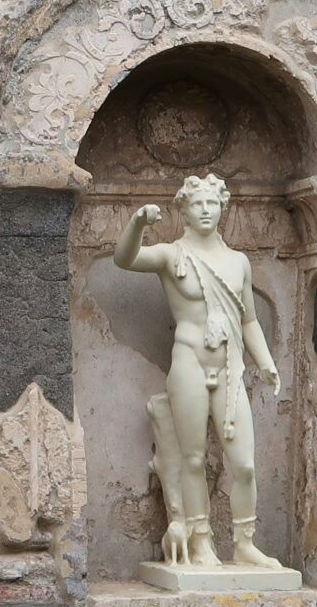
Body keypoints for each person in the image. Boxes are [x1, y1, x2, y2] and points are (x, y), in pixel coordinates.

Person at [112, 173, 285, 571]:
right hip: (189, 360)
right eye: (198, 204)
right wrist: (138, 222)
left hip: (230, 366)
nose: (206, 211)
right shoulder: (173, 255)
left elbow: (249, 321)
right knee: (192, 459)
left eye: (212, 204)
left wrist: (266, 361)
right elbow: (126, 259)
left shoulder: (238, 261)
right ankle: (200, 541)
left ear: (223, 208)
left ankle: (244, 543)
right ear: (184, 210)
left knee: (243, 463)